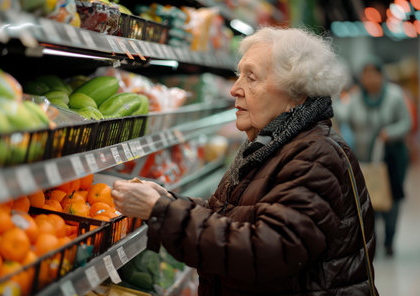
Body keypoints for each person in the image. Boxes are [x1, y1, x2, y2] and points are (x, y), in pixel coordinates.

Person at [112, 27, 377, 295]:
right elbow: (232, 217)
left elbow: (266, 250)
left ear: (297, 94)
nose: (234, 89)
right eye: (238, 75)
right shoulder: (269, 145)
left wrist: (162, 212)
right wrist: (169, 201)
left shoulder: (315, 156)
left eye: (251, 77)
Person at [334, 59, 411, 257]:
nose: (368, 79)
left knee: (391, 199)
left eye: (373, 74)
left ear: (381, 75)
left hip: (392, 158)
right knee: (368, 199)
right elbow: (344, 115)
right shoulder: (356, 98)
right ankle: (372, 239)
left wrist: (389, 132)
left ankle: (389, 240)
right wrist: (331, 96)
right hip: (365, 160)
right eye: (365, 75)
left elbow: (407, 122)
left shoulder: (394, 96)